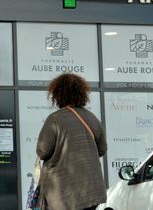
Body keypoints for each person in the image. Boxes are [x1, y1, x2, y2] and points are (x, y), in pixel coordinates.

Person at [36, 73, 107, 210]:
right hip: (92, 191)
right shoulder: (92, 118)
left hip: (64, 193)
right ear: (82, 94)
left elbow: (43, 151)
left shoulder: (55, 119)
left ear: (57, 95)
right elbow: (102, 149)